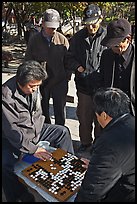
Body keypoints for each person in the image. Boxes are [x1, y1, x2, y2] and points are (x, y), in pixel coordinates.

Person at [2, 60, 74, 202]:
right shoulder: (5, 96)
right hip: (12, 138)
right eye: (32, 86)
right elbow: (12, 131)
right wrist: (34, 149)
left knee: (62, 132)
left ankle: (70, 171)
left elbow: (39, 113)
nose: (35, 89)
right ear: (20, 81)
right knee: (4, 165)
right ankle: (19, 196)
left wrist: (37, 136)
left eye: (37, 86)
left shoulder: (34, 87)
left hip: (35, 129)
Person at [75, 87, 135, 202]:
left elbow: (93, 190)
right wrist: (99, 164)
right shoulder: (131, 121)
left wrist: (100, 168)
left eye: (96, 116)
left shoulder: (110, 142)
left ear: (103, 115)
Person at [67, 4, 107, 152]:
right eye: (88, 24)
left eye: (94, 23)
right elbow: (68, 58)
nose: (91, 27)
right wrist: (78, 67)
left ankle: (98, 145)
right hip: (83, 86)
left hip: (102, 87)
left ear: (100, 19)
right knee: (84, 118)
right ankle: (85, 143)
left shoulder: (107, 36)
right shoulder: (78, 37)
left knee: (101, 120)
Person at [24, 8, 71, 126]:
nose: (53, 29)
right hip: (41, 82)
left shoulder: (62, 40)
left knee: (60, 111)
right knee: (42, 111)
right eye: (50, 26)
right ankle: (45, 133)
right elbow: (28, 61)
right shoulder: (34, 40)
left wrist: (67, 77)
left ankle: (60, 134)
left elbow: (69, 61)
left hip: (59, 80)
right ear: (43, 24)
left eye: (55, 27)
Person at [100, 18, 135, 116]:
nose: (113, 48)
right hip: (111, 110)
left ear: (128, 39)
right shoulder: (106, 55)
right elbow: (102, 80)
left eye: (116, 45)